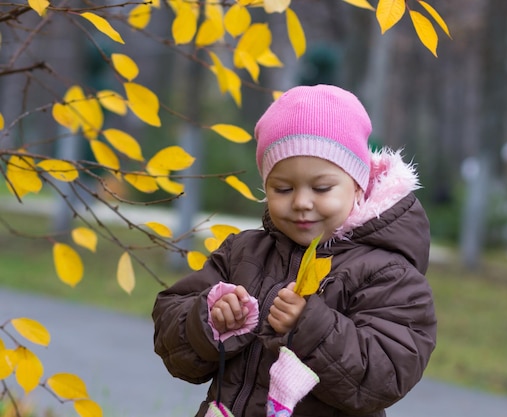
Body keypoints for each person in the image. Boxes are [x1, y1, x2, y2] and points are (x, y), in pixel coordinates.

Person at [152, 84, 437, 417]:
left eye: (321, 187)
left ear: (358, 184)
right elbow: (171, 333)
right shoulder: (242, 253)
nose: (302, 203)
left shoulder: (387, 275)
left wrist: (309, 326)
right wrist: (210, 318)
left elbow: (384, 376)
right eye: (283, 188)